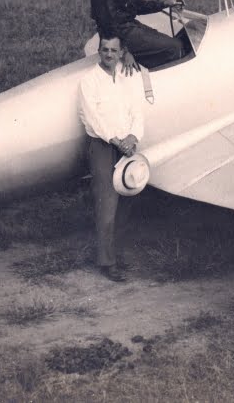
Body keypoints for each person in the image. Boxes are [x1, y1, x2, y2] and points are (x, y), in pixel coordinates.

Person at [77, 34, 146, 282]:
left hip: (127, 145)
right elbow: (92, 117)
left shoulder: (128, 76)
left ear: (120, 52)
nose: (108, 54)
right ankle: (107, 262)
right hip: (103, 146)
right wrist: (115, 139)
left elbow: (137, 111)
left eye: (113, 50)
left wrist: (133, 137)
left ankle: (119, 254)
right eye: (104, 50)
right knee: (107, 203)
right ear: (99, 52)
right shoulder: (89, 81)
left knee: (128, 198)